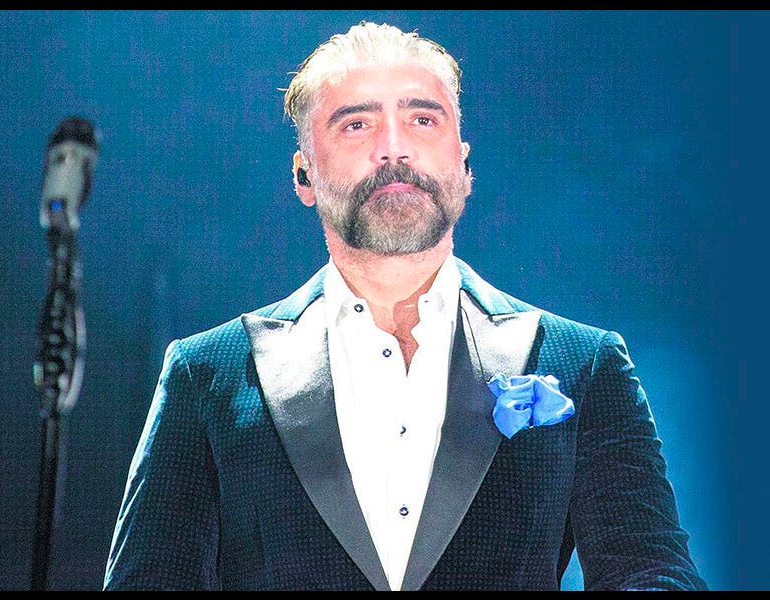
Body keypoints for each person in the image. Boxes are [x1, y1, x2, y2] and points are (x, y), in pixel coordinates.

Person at [103, 21, 707, 591]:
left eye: (422, 119)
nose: (394, 148)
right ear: (304, 175)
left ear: (464, 164)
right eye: (356, 124)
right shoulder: (206, 375)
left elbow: (652, 572)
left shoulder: (583, 362)